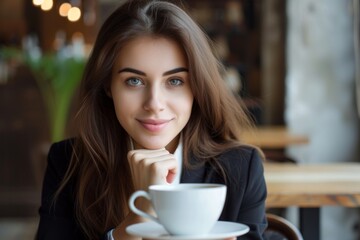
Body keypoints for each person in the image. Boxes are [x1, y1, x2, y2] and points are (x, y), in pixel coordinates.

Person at [35, 0, 267, 239]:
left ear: (197, 87)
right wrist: (140, 215)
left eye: (175, 81)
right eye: (134, 81)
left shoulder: (241, 168)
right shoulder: (68, 163)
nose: (154, 103)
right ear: (107, 85)